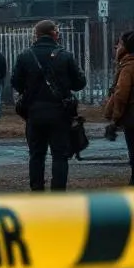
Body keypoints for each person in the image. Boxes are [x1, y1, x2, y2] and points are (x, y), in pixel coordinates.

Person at [11, 19, 87, 192]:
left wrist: (30, 91)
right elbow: (80, 83)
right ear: (53, 34)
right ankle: (58, 192)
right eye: (58, 32)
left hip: (34, 113)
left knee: (36, 155)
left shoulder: (25, 56)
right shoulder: (66, 56)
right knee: (60, 156)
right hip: (60, 113)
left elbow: (16, 83)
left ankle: (37, 190)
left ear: (36, 35)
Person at [102, 30, 134, 187]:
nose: (116, 46)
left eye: (120, 43)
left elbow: (121, 95)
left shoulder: (128, 67)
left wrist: (114, 119)